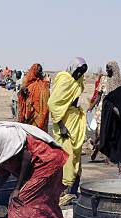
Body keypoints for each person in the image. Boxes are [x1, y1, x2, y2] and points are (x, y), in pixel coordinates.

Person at [48, 57, 87, 196]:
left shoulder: (78, 80)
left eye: (82, 72)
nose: (79, 75)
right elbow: (53, 104)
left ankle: (73, 190)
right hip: (64, 122)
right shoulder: (64, 80)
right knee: (66, 157)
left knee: (76, 156)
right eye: (78, 71)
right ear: (72, 67)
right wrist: (61, 125)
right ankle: (63, 190)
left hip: (74, 120)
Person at [87, 61, 121, 150]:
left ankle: (105, 151)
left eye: (109, 68)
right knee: (99, 131)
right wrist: (90, 107)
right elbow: (98, 96)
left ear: (114, 68)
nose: (107, 70)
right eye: (106, 67)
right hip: (102, 108)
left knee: (110, 132)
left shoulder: (119, 81)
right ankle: (97, 143)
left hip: (114, 108)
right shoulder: (103, 79)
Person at [18, 64, 50, 131]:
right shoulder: (27, 81)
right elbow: (21, 94)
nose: (40, 72)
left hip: (39, 112)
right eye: (38, 71)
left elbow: (46, 98)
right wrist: (23, 90)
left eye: (41, 71)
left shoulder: (43, 83)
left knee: (38, 131)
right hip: (29, 111)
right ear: (34, 70)